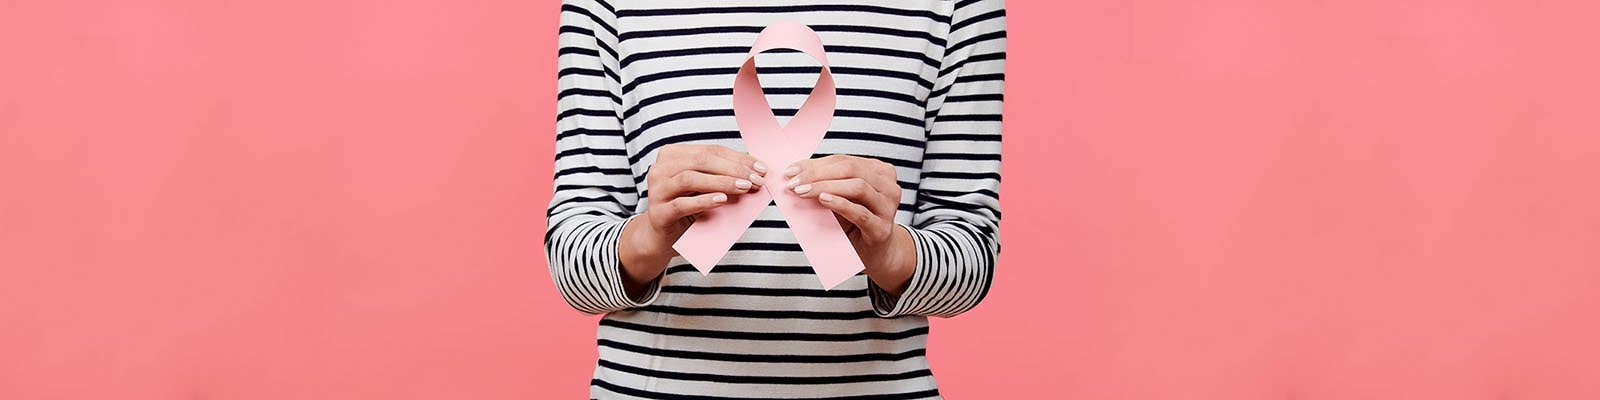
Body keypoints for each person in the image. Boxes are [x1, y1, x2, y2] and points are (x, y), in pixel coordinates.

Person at [547, 1, 1006, 398]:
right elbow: (571, 269)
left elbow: (972, 261)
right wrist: (650, 235)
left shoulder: (955, 8)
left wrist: (888, 251)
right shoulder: (608, 7)